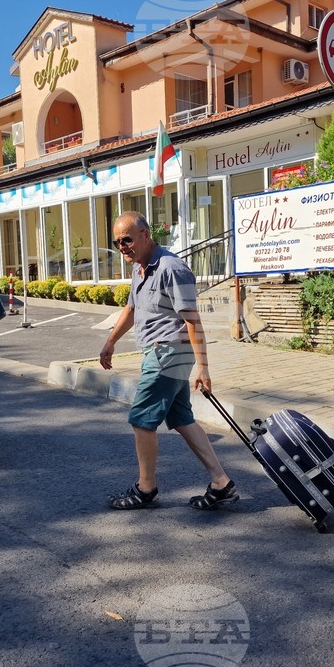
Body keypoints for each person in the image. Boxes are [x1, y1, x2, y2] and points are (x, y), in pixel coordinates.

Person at [99, 211, 237, 510]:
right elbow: (132, 309)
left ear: (146, 235)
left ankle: (146, 488)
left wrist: (204, 366)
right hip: (160, 351)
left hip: (168, 352)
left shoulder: (172, 268)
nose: (122, 247)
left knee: (141, 420)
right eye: (117, 242)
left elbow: (192, 320)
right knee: (182, 418)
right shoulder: (139, 268)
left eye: (127, 240)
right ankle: (221, 481)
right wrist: (111, 341)